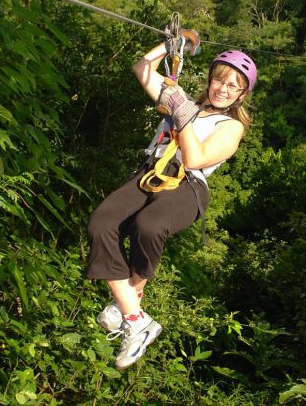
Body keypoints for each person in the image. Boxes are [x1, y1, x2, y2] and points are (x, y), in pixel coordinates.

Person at [86, 31, 257, 370]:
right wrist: (170, 47)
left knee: (149, 226)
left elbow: (195, 159)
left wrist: (183, 112)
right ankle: (135, 318)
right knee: (101, 224)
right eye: (219, 81)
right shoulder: (185, 102)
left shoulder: (230, 127)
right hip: (150, 172)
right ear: (210, 81)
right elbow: (142, 68)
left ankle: (127, 307)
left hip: (187, 186)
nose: (222, 89)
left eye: (232, 86)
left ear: (241, 95)